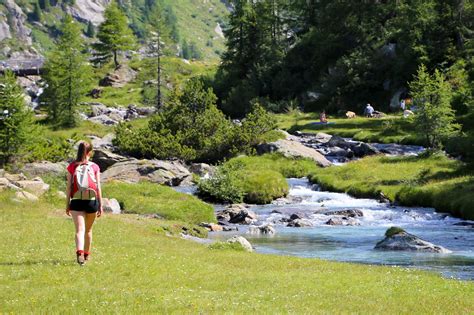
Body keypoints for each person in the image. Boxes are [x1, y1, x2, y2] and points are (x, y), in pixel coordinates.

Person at [66, 141, 103, 265]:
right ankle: (86, 256)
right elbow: (98, 187)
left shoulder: (72, 166)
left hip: (76, 201)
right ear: (90, 152)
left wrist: (67, 204)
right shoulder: (94, 167)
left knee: (79, 230)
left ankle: (79, 252)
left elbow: (69, 188)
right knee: (88, 230)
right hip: (91, 201)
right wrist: (100, 205)